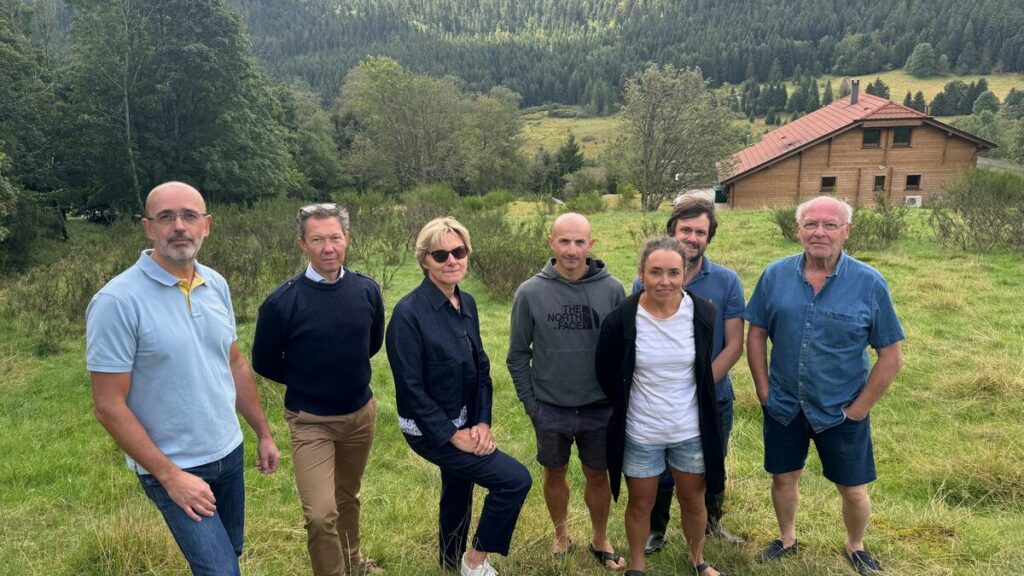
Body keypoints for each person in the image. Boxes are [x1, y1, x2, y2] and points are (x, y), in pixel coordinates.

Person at [86, 181, 280, 576]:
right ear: (147, 227)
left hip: (227, 452)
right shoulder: (117, 301)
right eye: (166, 217)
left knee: (231, 555)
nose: (179, 226)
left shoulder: (216, 284)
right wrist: (170, 476)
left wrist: (263, 432)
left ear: (206, 225)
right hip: (174, 465)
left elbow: (234, 362)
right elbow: (107, 406)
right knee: (220, 571)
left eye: (189, 216)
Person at [745, 196, 904, 575]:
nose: (819, 232)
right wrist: (764, 391)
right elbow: (756, 334)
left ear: (846, 231)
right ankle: (786, 538)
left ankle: (855, 545)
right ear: (798, 230)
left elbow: (891, 356)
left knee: (853, 488)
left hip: (841, 408)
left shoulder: (869, 283)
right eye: (811, 224)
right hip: (784, 405)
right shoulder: (774, 275)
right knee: (783, 478)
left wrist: (858, 409)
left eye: (830, 225)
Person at [386, 217, 532, 576]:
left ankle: (450, 563)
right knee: (514, 480)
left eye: (459, 251)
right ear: (424, 260)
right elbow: (410, 387)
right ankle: (474, 561)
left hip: (466, 418)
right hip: (427, 429)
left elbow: (481, 366)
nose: (452, 260)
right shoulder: (408, 315)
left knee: (458, 486)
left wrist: (482, 422)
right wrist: (453, 436)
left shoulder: (466, 302)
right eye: (440, 254)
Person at [251, 203, 385, 576]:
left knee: (348, 496)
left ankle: (353, 559)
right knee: (321, 513)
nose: (328, 247)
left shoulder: (367, 290)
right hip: (311, 421)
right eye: (318, 239)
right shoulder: (281, 302)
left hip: (360, 414)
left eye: (335, 238)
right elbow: (264, 361)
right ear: (302, 244)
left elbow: (371, 343)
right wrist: (309, 380)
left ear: (347, 240)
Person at [597, 236, 727, 576]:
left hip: (689, 430)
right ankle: (637, 566)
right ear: (641, 273)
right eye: (655, 272)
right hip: (642, 431)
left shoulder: (702, 314)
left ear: (685, 274)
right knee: (641, 503)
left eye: (673, 272)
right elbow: (606, 372)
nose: (664, 281)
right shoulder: (621, 319)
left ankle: (698, 560)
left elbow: (701, 368)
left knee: (693, 500)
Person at [506, 213, 626, 570]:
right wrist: (532, 405)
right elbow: (517, 355)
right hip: (550, 407)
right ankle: (561, 534)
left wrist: (619, 400)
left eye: (579, 242)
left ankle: (600, 536)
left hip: (599, 406)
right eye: (564, 241)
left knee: (597, 474)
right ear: (550, 243)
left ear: (591, 245)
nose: (571, 250)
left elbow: (624, 350)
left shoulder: (613, 289)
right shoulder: (530, 292)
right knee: (554, 473)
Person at [628, 196, 746, 553]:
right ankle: (655, 530)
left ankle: (711, 524)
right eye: (686, 230)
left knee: (709, 464)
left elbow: (734, 345)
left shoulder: (726, 281)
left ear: (709, 238)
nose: (693, 237)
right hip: (659, 402)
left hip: (712, 397)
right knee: (660, 471)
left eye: (701, 232)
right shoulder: (645, 282)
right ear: (672, 231)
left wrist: (699, 386)